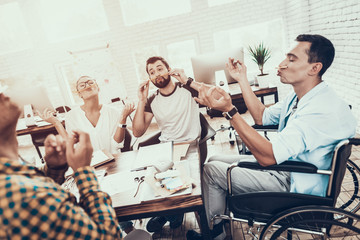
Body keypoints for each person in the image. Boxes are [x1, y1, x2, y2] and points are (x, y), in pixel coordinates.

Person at [186, 34, 357, 240]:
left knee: (211, 171)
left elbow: (268, 157)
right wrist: (241, 78)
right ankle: (221, 225)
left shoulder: (319, 111)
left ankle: (215, 235)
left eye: (292, 59)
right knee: (215, 159)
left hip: (295, 184)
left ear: (314, 68)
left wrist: (230, 112)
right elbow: (261, 116)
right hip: (290, 166)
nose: (282, 64)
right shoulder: (302, 96)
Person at [0, 90, 122, 238]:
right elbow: (108, 235)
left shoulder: (12, 167)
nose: (3, 94)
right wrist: (83, 170)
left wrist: (53, 169)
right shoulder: (24, 196)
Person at [132, 56, 216, 233]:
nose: (157, 74)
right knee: (150, 186)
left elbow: (215, 96)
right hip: (166, 150)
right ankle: (173, 215)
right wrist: (141, 100)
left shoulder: (187, 89)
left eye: (160, 68)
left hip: (192, 147)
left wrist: (188, 80)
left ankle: (173, 215)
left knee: (182, 186)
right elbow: (138, 131)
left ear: (169, 69)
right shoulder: (152, 100)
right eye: (152, 72)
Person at [40, 76, 135, 155]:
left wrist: (123, 118)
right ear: (80, 94)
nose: (87, 85)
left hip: (114, 161)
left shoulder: (113, 112)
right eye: (82, 85)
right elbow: (71, 146)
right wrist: (57, 123)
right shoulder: (71, 116)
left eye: (90, 82)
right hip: (88, 164)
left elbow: (116, 145)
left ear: (98, 88)